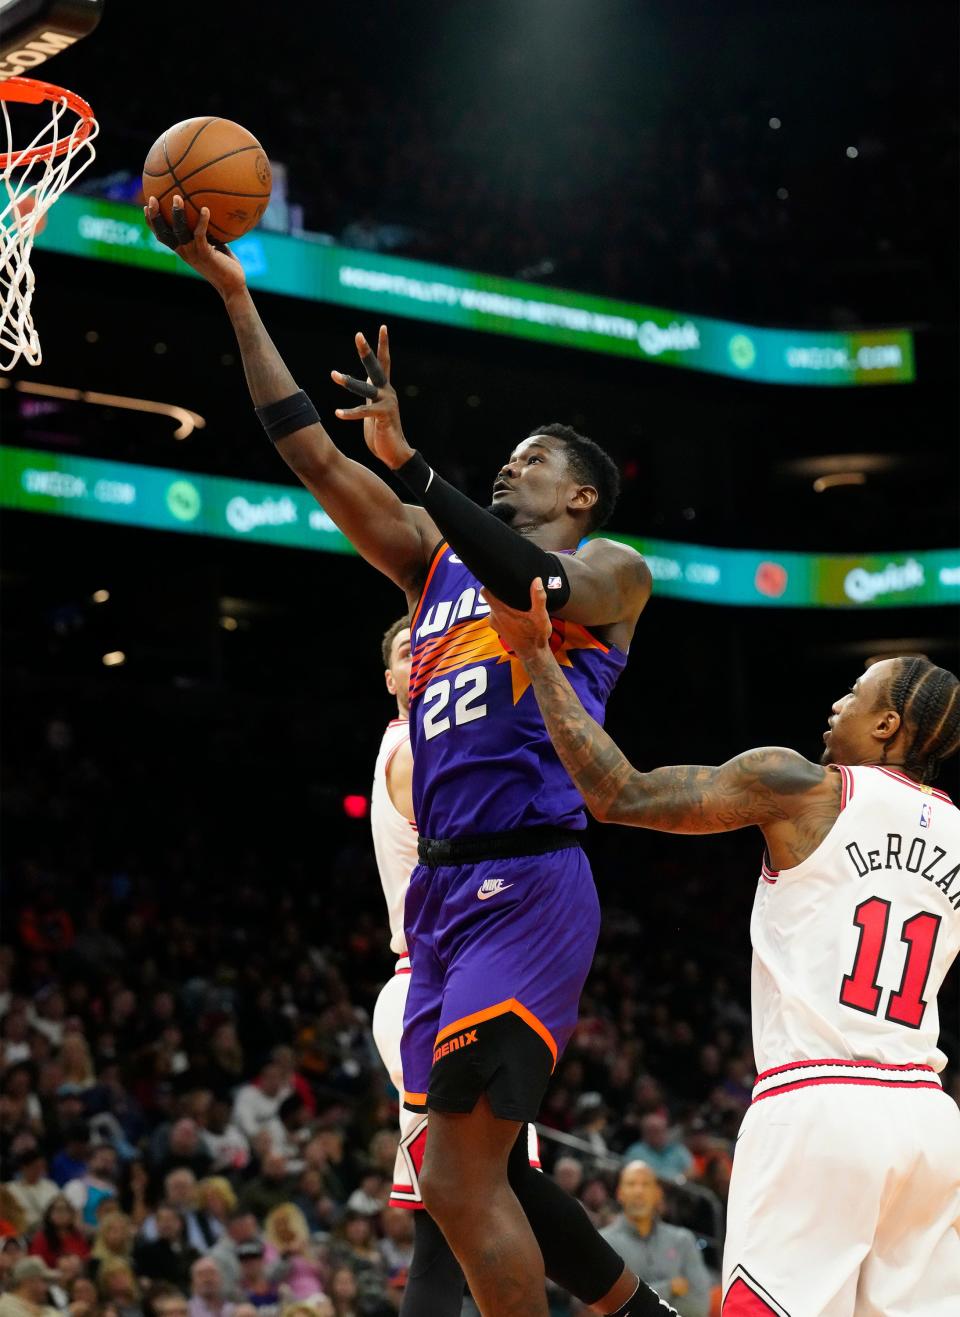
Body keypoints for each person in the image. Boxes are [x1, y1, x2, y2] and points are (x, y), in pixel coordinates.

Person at [146, 199, 673, 1317]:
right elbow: (307, 451)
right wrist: (233, 293)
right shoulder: (429, 566)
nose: (509, 471)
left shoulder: (614, 572)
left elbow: (534, 587)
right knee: (448, 1180)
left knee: (471, 1174)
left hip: (527, 878)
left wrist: (420, 470)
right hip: (435, 893)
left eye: (533, 464)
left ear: (579, 496)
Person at [484, 586, 960, 1316]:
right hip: (929, 1119)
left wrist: (538, 657)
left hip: (820, 1100)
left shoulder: (804, 786)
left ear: (889, 722)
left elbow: (620, 793)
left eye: (855, 694)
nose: (836, 704)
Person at [601, 1165, 709, 1317]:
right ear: (620, 1193)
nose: (639, 1191)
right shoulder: (604, 1242)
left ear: (658, 1193)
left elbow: (699, 1307)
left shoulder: (683, 1239)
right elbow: (606, 1307)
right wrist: (669, 1287)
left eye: (646, 1184)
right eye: (631, 1184)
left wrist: (634, 1298)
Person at [620, 1117, 692, 1185]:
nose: (655, 1135)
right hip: (647, 1189)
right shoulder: (635, 1151)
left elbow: (692, 1171)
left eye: (659, 1131)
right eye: (651, 1131)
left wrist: (680, 1179)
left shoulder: (678, 1149)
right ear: (644, 1133)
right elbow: (627, 1172)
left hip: (676, 1190)